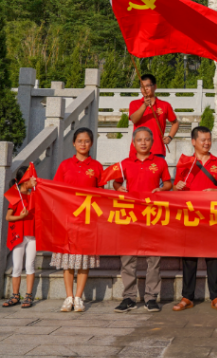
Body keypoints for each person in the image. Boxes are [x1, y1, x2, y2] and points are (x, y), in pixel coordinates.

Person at [171, 125, 217, 313]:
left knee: (213, 257)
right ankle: (187, 297)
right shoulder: (184, 164)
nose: (206, 143)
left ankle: (216, 296)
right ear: (193, 142)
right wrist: (177, 186)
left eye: (209, 139)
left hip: (211, 217)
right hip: (190, 217)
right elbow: (174, 188)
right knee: (189, 258)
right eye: (202, 140)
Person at [113, 127, 171, 314]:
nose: (143, 142)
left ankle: (151, 297)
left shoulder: (160, 162)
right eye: (139, 139)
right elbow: (116, 181)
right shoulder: (125, 163)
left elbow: (168, 183)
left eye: (147, 139)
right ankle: (129, 297)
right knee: (128, 258)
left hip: (153, 216)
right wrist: (118, 187)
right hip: (130, 216)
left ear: (153, 142)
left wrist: (162, 189)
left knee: (153, 258)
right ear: (134, 142)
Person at [52, 127, 103, 313]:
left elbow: (102, 194)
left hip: (88, 220)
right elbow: (55, 189)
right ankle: (68, 297)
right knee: (68, 260)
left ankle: (79, 297)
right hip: (67, 219)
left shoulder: (97, 166)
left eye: (87, 141)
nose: (83, 144)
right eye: (80, 141)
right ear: (74, 143)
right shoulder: (65, 165)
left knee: (84, 260)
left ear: (91, 143)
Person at [3, 168, 38, 308]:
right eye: (31, 178)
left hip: (33, 235)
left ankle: (29, 296)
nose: (34, 180)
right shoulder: (15, 196)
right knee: (17, 266)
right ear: (24, 181)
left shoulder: (35, 195)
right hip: (18, 235)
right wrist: (21, 217)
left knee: (30, 265)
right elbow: (8, 217)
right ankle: (15, 295)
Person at [127, 73, 179, 159]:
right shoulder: (134, 104)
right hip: (137, 151)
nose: (145, 89)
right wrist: (144, 105)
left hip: (157, 150)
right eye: (142, 87)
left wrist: (169, 137)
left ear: (155, 87)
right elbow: (134, 120)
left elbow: (175, 123)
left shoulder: (164, 105)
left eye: (148, 86)